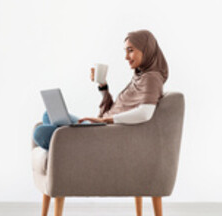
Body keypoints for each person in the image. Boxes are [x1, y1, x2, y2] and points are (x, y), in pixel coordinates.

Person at [32, 30, 167, 149]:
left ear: (146, 49)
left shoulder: (151, 78)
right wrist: (103, 85)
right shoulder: (140, 76)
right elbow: (116, 109)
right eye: (125, 51)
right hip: (100, 127)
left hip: (104, 133)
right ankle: (66, 142)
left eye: (130, 50)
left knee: (40, 133)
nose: (126, 57)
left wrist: (104, 121)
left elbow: (145, 113)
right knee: (47, 115)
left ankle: (68, 144)